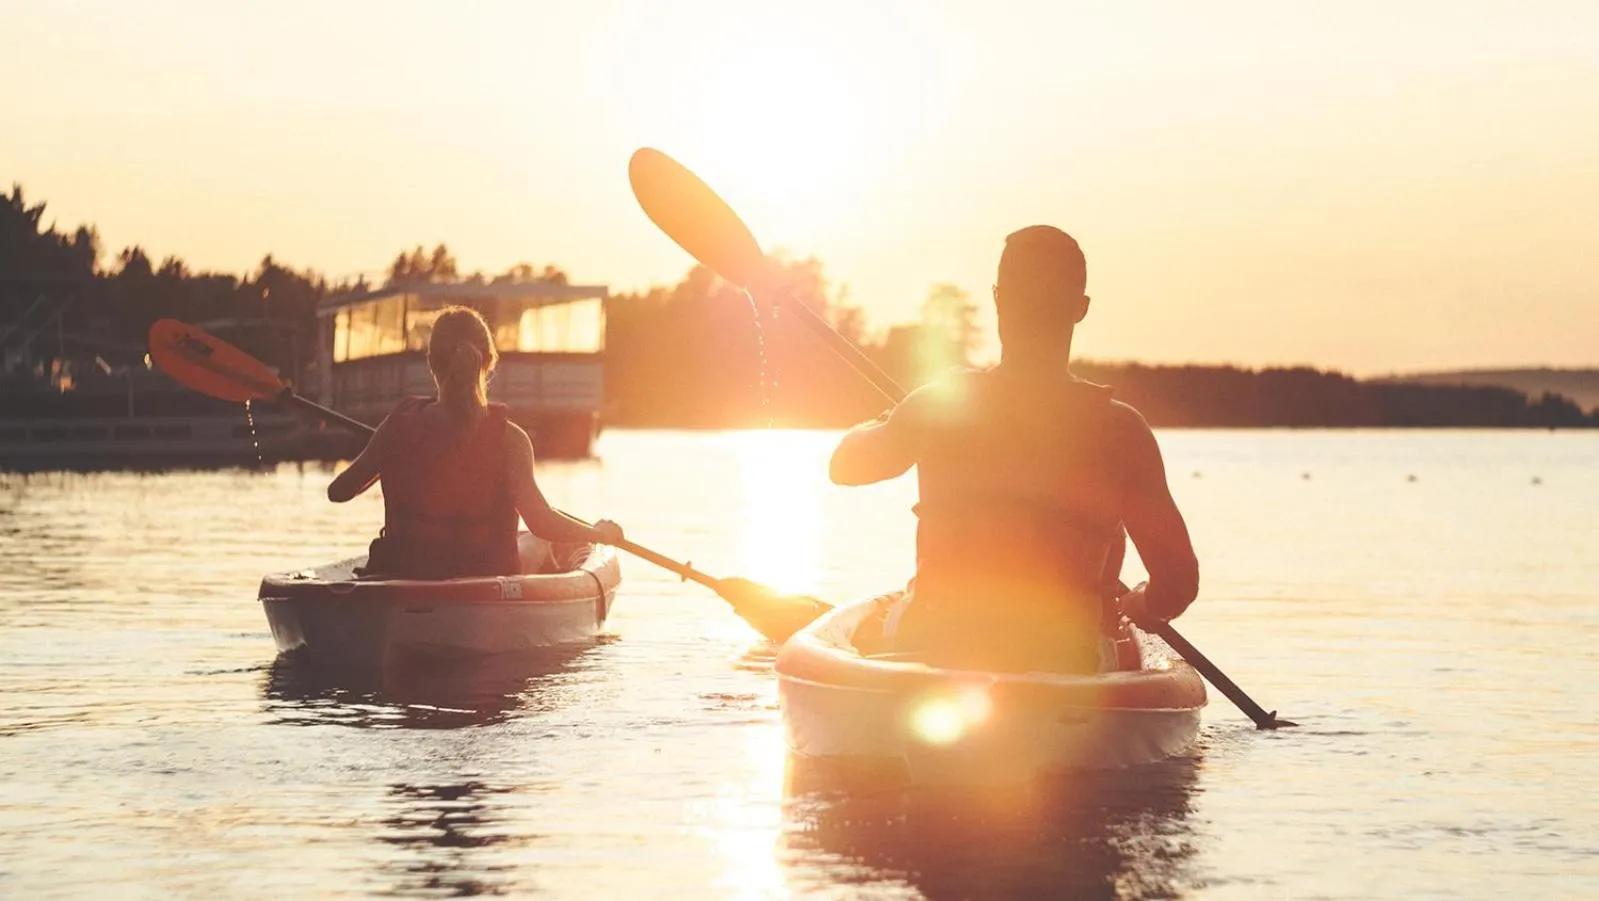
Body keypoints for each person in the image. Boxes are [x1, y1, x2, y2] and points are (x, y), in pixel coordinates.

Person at [829, 226, 1198, 673]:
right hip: (1066, 657)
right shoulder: (1121, 431)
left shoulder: (939, 404)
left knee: (885, 622)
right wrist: (1143, 605)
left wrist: (884, 424)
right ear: (1079, 310)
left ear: (1000, 298)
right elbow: (1178, 582)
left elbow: (844, 466)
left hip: (935, 641)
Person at [327, 306, 622, 578]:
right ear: (490, 362)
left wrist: (384, 454)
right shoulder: (511, 439)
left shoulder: (396, 426)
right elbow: (541, 522)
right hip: (484, 578)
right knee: (538, 542)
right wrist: (597, 535)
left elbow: (338, 492)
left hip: (402, 571)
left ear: (431, 363)